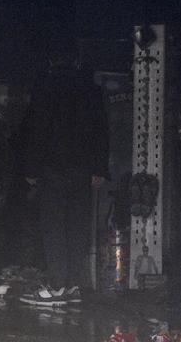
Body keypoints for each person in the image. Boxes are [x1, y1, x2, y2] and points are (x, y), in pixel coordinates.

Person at [18, 50, 108, 307]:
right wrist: (99, 168)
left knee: (53, 227)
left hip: (52, 168)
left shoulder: (45, 88)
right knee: (78, 227)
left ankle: (57, 285)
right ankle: (73, 284)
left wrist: (32, 170)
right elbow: (101, 129)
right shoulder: (90, 90)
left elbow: (36, 130)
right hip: (82, 169)